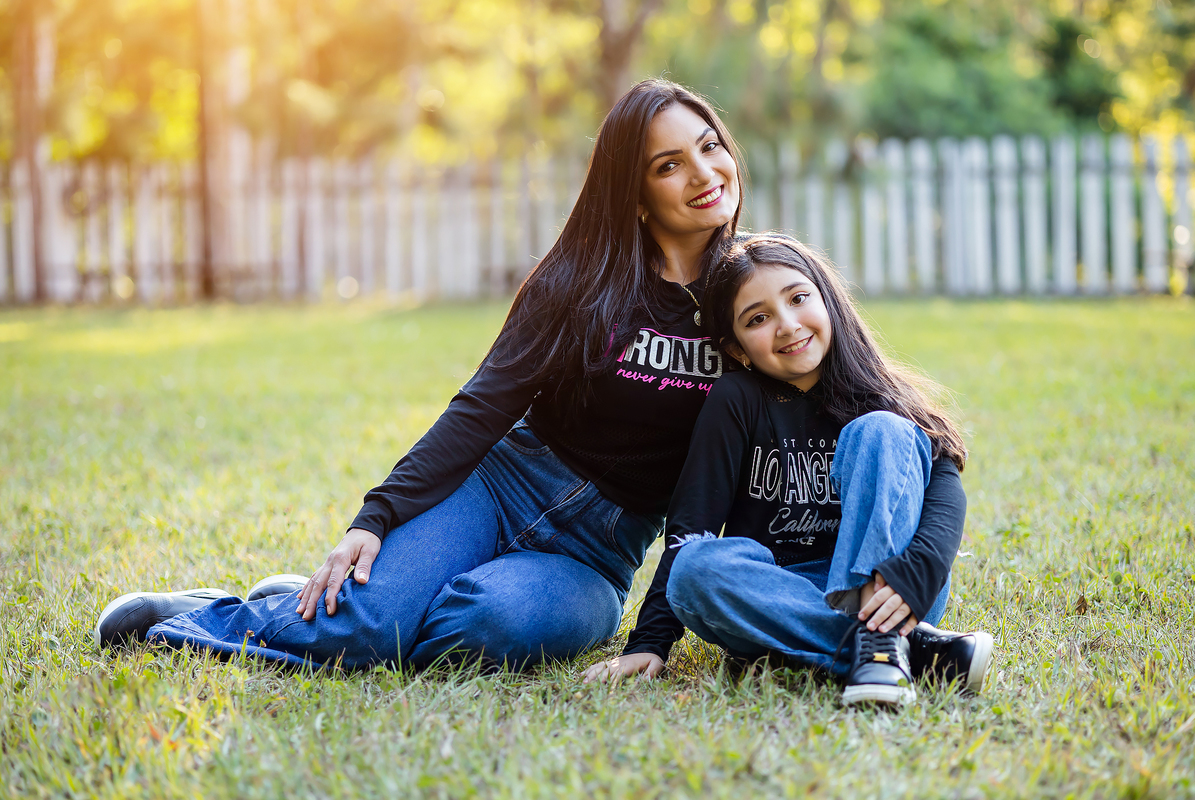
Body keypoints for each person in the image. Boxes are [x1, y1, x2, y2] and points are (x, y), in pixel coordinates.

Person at [94, 79, 747, 670]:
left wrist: (654, 638)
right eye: (669, 165)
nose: (703, 172)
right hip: (493, 489)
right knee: (375, 627)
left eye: (708, 146)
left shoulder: (752, 298)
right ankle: (218, 615)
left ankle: (323, 605)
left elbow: (732, 474)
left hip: (592, 559)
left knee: (484, 624)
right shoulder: (580, 282)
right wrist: (374, 518)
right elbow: (482, 407)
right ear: (634, 194)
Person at [583, 234, 993, 704]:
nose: (787, 325)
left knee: (881, 430)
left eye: (798, 299)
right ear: (736, 348)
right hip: (773, 596)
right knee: (695, 570)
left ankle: (882, 640)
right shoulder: (735, 402)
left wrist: (919, 571)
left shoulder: (881, 398)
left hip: (894, 589)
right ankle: (907, 650)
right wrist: (650, 641)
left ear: (827, 299)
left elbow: (945, 492)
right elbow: (690, 528)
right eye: (757, 318)